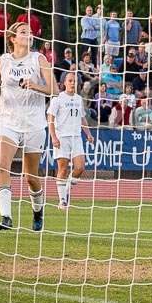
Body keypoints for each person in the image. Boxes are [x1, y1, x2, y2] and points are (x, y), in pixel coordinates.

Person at [0, 22, 57, 232]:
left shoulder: (39, 59)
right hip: (7, 121)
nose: (29, 35)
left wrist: (34, 85)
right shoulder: (3, 61)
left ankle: (38, 211)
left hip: (34, 123)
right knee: (3, 166)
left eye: (30, 32)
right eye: (23, 32)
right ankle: (6, 216)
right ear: (12, 38)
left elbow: (54, 89)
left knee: (31, 177)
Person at [47, 72, 94, 210]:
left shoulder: (79, 99)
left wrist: (88, 134)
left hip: (77, 137)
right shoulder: (58, 99)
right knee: (62, 168)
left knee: (80, 167)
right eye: (70, 80)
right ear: (64, 83)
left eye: (75, 81)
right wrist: (53, 137)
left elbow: (82, 118)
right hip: (62, 137)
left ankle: (66, 189)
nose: (73, 83)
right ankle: (62, 201)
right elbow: (50, 118)